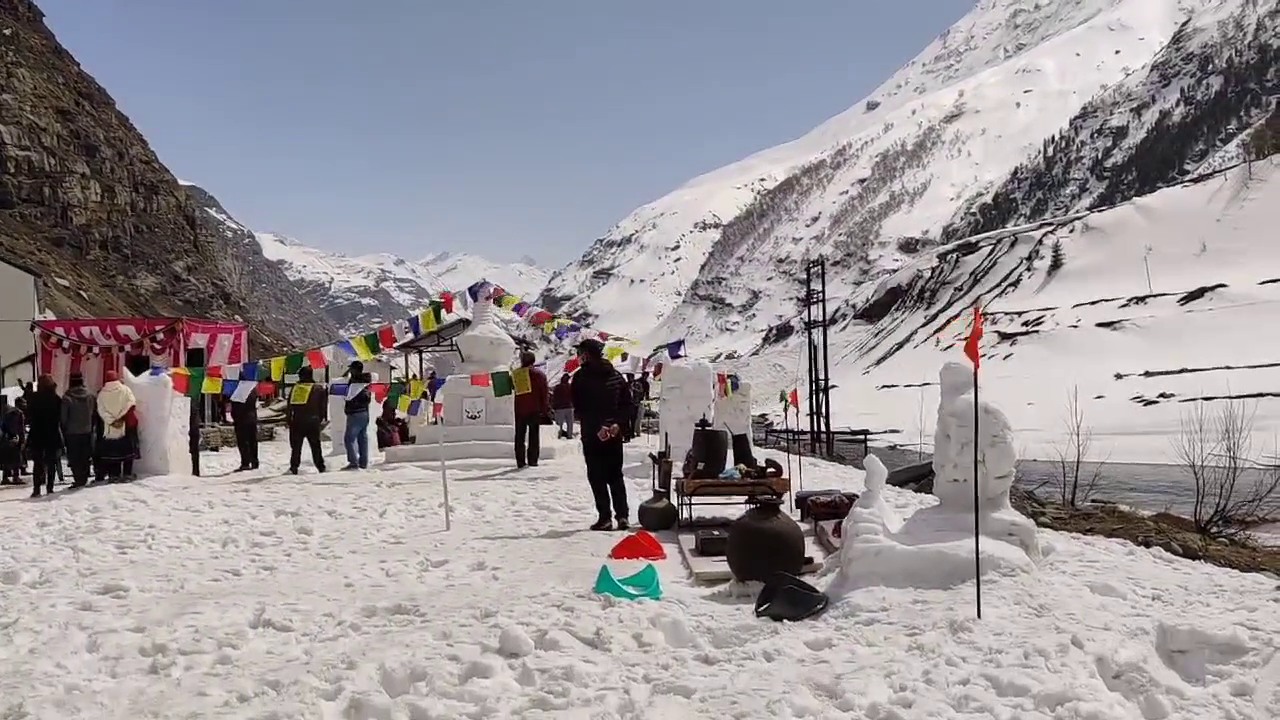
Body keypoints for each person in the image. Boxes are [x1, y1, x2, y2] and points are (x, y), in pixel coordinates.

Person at [571, 338, 635, 531]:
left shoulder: (580, 378)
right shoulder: (616, 376)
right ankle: (622, 516)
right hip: (614, 434)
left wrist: (598, 427)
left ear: (586, 355)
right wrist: (616, 424)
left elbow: (580, 409)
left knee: (597, 476)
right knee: (615, 475)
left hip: (592, 434)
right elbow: (628, 405)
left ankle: (605, 517)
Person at [25, 374, 64, 498]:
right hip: (52, 433)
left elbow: (29, 415)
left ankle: (36, 489)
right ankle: (50, 487)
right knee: (51, 461)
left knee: (38, 462)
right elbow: (60, 417)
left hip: (37, 433)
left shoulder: (34, 398)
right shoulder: (56, 398)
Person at [96, 371, 137, 483]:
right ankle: (127, 474)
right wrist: (121, 417)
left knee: (113, 453)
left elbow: (101, 410)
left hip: (110, 427)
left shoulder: (102, 394)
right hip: (125, 424)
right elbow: (131, 403)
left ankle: (114, 475)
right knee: (127, 451)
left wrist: (112, 421)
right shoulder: (125, 390)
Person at [286, 366, 328, 475]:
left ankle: (294, 466)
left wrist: (289, 419)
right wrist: (320, 419)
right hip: (313, 421)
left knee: (296, 447)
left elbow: (289, 405)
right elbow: (322, 407)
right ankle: (320, 466)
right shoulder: (318, 388)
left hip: (297, 420)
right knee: (315, 446)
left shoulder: (296, 388)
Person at [513, 351, 550, 468]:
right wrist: (545, 409)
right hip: (535, 409)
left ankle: (520, 461)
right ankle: (533, 460)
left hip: (519, 409)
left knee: (519, 436)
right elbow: (544, 393)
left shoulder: (517, 374)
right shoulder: (539, 375)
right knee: (534, 436)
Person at [60, 372, 97, 487]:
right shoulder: (90, 396)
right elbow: (93, 413)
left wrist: (64, 428)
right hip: (87, 430)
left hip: (72, 432)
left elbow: (63, 417)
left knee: (74, 457)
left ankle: (78, 479)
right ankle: (85, 477)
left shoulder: (66, 398)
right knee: (85, 455)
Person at [342, 361, 372, 470]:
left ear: (355, 370)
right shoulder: (366, 381)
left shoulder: (355, 382)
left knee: (349, 439)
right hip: (365, 413)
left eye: (351, 369)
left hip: (355, 413)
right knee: (362, 438)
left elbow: (350, 396)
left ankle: (353, 462)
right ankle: (363, 462)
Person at [230, 386, 260, 471]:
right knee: (252, 440)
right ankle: (254, 461)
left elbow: (235, 405)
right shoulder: (252, 389)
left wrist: (234, 417)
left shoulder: (237, 391)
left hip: (241, 419)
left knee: (243, 441)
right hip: (252, 417)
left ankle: (245, 462)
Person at [1, 398, 25, 485]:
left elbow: (3, 426)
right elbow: (21, 429)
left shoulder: (7, 413)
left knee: (7, 458)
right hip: (16, 438)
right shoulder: (20, 413)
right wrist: (22, 441)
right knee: (17, 458)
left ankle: (5, 478)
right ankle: (16, 477)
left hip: (7, 437)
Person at [551, 373, 574, 439]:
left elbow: (554, 398)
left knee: (559, 424)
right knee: (570, 423)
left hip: (559, 408)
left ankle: (559, 435)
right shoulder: (570, 387)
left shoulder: (557, 387)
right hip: (569, 407)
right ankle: (569, 435)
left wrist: (554, 407)